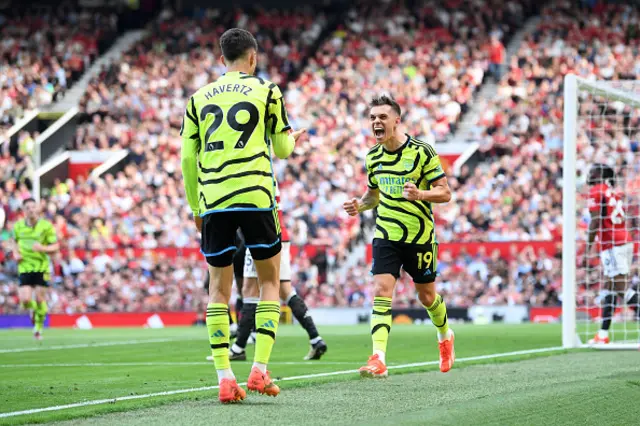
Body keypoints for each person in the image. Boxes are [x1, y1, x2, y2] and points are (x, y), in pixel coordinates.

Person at [181, 27, 305, 403]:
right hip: (256, 196)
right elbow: (282, 150)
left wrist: (195, 207)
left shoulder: (197, 98)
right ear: (252, 58)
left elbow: (188, 159)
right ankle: (259, 371)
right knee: (269, 284)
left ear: (222, 60)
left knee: (218, 291)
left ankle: (224, 378)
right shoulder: (268, 90)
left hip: (215, 200)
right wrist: (293, 139)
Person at [343, 95, 454, 377]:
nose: (376, 122)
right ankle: (378, 358)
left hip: (419, 237)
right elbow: (373, 196)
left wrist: (421, 194)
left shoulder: (422, 152)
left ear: (397, 120)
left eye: (382, 117)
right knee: (381, 290)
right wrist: (359, 205)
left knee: (427, 297)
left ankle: (445, 336)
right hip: (386, 234)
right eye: (372, 118)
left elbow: (445, 192)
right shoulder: (373, 157)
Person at [229, 184, 327, 362]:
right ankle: (315, 339)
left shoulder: (253, 174)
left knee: (249, 291)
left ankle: (238, 348)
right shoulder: (270, 176)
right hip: (282, 236)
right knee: (285, 291)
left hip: (261, 237)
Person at [584, 163, 638, 344]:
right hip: (621, 242)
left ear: (600, 174)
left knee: (621, 289)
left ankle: (603, 334)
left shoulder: (597, 191)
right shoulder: (613, 192)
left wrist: (588, 247)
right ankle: (603, 334)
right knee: (609, 286)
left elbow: (594, 222)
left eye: (592, 171)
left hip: (614, 244)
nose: (589, 174)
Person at [11, 198, 59, 340]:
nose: (31, 210)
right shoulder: (18, 226)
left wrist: (42, 248)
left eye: (33, 207)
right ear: (24, 210)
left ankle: (38, 328)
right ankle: (32, 310)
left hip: (41, 267)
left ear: (37, 208)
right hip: (24, 266)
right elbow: (14, 242)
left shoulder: (46, 226)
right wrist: (15, 253)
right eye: (28, 207)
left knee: (40, 299)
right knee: (25, 300)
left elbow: (55, 246)